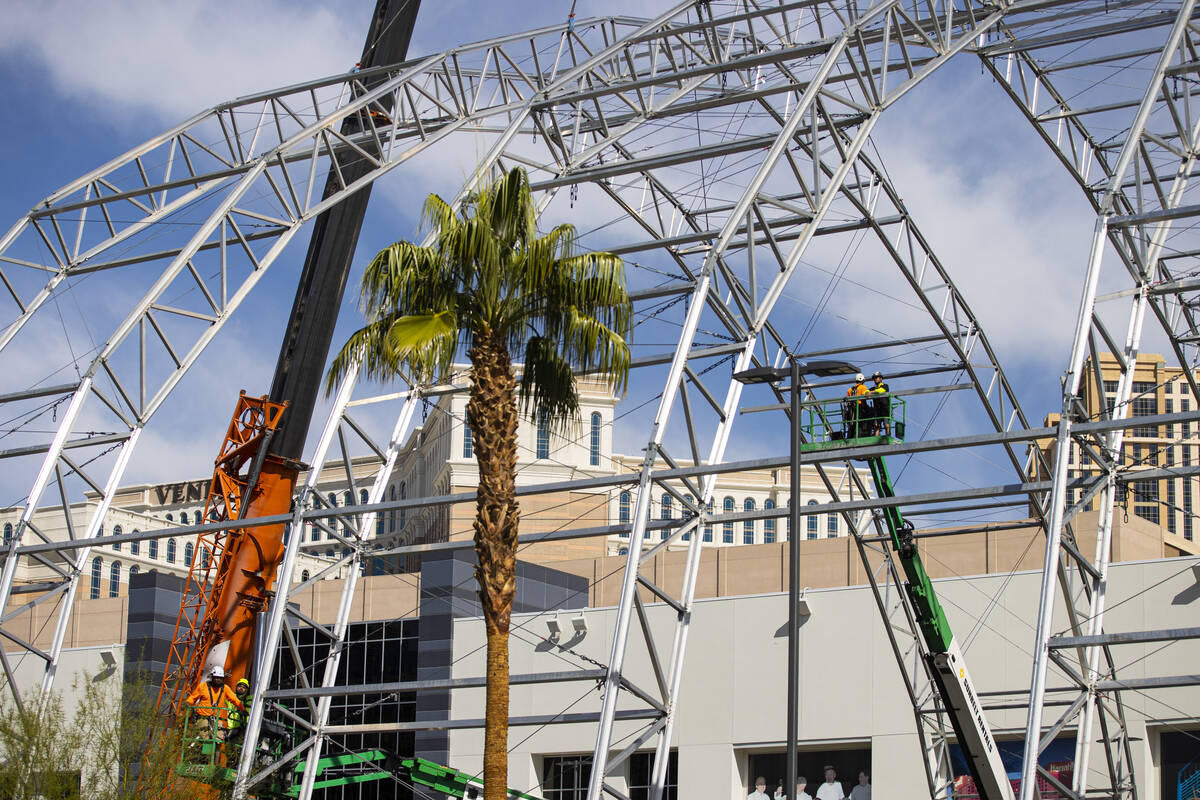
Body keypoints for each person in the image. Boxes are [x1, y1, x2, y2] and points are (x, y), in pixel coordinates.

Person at [185, 666, 244, 750]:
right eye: (216, 678)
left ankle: (212, 759)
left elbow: (235, 700)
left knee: (218, 739)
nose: (218, 680)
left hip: (217, 719)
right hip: (203, 717)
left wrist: (243, 710)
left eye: (220, 678)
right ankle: (204, 758)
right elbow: (193, 698)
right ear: (212, 677)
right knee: (205, 737)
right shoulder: (203, 687)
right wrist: (187, 703)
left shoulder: (225, 688)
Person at [225, 677, 252, 745]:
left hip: (243, 729)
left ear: (247, 690)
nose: (241, 688)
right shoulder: (230, 697)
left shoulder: (249, 700)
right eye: (240, 686)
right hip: (230, 728)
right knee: (229, 749)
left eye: (244, 687)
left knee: (238, 749)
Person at [844, 374, 870, 438]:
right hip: (859, 407)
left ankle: (849, 437)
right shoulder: (863, 387)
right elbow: (864, 398)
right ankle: (858, 436)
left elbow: (847, 399)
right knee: (859, 423)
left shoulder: (850, 389)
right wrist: (866, 407)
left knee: (852, 424)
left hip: (851, 409)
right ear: (862, 380)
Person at [869, 371, 890, 436]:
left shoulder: (885, 386)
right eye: (874, 378)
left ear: (881, 379)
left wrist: (871, 392)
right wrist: (867, 392)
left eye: (877, 377)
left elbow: (881, 390)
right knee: (876, 426)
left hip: (885, 408)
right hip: (877, 410)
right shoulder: (873, 388)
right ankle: (876, 438)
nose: (875, 379)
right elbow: (865, 391)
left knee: (886, 424)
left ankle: (888, 436)